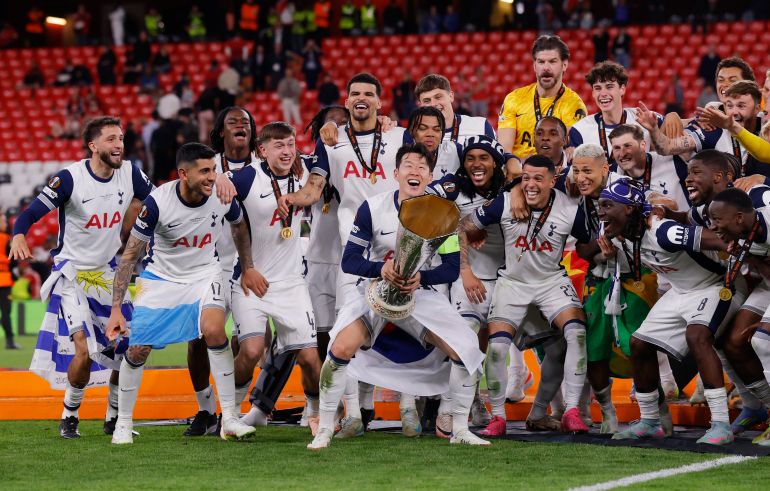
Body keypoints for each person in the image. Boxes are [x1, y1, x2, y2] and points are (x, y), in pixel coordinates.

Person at [307, 143, 489, 449]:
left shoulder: (443, 215)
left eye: (422, 167)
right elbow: (350, 260)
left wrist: (421, 278)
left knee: (466, 349)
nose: (415, 171)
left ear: (430, 176)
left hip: (419, 296)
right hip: (374, 290)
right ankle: (325, 428)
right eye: (408, 165)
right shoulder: (373, 208)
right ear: (396, 173)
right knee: (339, 347)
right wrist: (382, 269)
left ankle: (459, 428)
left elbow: (450, 269)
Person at [11, 117, 154, 438]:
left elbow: (160, 203)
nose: (119, 145)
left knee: (130, 346)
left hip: (108, 273)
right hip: (72, 274)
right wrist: (18, 234)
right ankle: (70, 415)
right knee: (83, 349)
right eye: (111, 139)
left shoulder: (131, 173)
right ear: (93, 146)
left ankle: (114, 416)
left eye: (121, 138)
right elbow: (30, 213)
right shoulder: (70, 179)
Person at [106, 143, 255, 444]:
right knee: (137, 351)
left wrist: (248, 266)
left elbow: (239, 226)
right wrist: (116, 309)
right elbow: (129, 256)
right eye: (204, 171)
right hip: (161, 279)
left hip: (205, 274)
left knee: (214, 331)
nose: (212, 177)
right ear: (183, 174)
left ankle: (228, 418)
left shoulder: (221, 194)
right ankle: (123, 422)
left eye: (214, 169)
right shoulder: (157, 203)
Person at [603, 174, 746, 446]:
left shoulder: (662, 231)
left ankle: (720, 423)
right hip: (680, 291)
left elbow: (721, 239)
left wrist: (741, 258)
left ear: (629, 208)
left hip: (716, 285)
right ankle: (650, 422)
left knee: (697, 336)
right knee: (639, 344)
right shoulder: (620, 233)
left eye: (608, 205)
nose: (601, 212)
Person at [460, 154, 591, 435]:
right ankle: (498, 417)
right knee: (496, 348)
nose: (530, 185)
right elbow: (463, 227)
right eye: (525, 178)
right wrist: (465, 267)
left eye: (537, 179)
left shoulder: (569, 208)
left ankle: (569, 411)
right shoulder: (506, 202)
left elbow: (587, 244)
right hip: (512, 282)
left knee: (575, 334)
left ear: (553, 181)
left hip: (550, 280)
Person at [225, 123, 322, 433]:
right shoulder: (247, 176)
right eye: (279, 145)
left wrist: (331, 127)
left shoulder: (307, 168)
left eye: (291, 144)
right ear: (262, 151)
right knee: (251, 351)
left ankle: (316, 412)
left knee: (309, 357)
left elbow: (324, 167)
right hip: (251, 281)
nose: (287, 151)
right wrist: (217, 180)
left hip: (292, 282)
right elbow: (213, 181)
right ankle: (229, 413)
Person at [181, 106, 259, 437]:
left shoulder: (268, 160)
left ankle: (234, 411)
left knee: (252, 344)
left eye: (246, 122)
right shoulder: (205, 164)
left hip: (251, 268)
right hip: (208, 265)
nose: (241, 126)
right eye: (233, 122)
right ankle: (204, 408)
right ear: (221, 132)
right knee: (199, 338)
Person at [640, 81, 770, 178]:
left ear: (757, 109)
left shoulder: (766, 126)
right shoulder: (713, 128)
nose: (733, 112)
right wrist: (653, 129)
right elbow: (667, 147)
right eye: (729, 106)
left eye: (741, 106)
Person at [498, 35, 587, 159]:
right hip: (517, 172)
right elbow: (504, 149)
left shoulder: (574, 105)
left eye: (552, 61)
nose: (546, 67)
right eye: (541, 62)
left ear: (564, 65)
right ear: (535, 66)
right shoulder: (514, 98)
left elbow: (566, 152)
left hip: (552, 172)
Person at [569, 61, 661, 162]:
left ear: (622, 89)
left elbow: (673, 139)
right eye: (598, 88)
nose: (603, 93)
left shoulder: (644, 118)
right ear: (593, 93)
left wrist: (672, 117)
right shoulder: (580, 130)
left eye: (609, 87)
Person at [609, 124, 689, 212]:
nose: (622, 154)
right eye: (617, 148)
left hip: (683, 223)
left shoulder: (671, 160)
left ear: (643, 145)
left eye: (627, 146)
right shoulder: (613, 175)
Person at [414, 74, 496, 144]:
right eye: (427, 101)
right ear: (420, 105)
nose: (433, 104)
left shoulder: (480, 126)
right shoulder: (413, 136)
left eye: (438, 97)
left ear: (451, 96)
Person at [0, 213, 19, 349]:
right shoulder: (6, 238)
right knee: (6, 313)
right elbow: (14, 258)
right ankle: (10, 341)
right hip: (4, 280)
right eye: (4, 221)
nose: (6, 224)